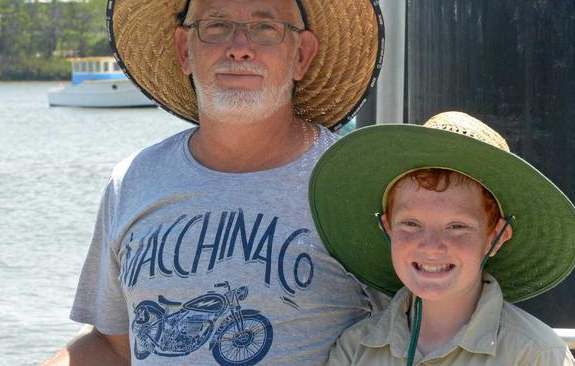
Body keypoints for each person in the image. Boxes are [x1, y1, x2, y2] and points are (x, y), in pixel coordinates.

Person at [43, 0, 386, 365]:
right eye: (217, 26)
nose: (239, 48)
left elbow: (416, 332)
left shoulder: (358, 187)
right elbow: (112, 345)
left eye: (266, 29)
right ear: (183, 50)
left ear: (301, 55)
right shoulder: (133, 180)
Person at [309, 111, 575, 365]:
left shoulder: (536, 355)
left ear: (496, 237)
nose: (430, 246)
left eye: (456, 227)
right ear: (388, 228)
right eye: (411, 223)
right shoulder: (355, 349)